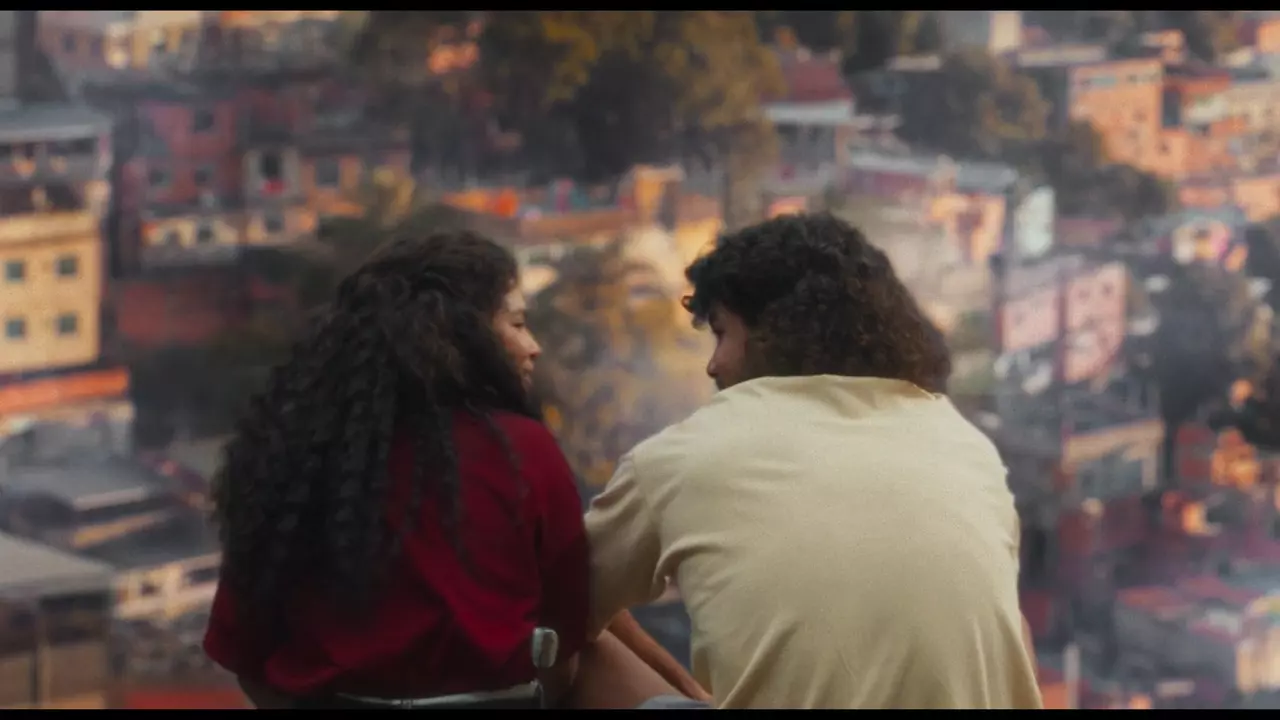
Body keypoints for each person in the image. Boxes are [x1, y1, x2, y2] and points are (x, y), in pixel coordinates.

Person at [581, 213, 1043, 709]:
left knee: (572, 649)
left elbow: (557, 603)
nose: (713, 365)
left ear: (771, 334)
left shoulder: (681, 457)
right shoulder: (964, 444)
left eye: (721, 333)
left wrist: (681, 686)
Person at [202, 230, 591, 708]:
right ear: (465, 335)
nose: (533, 346)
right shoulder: (525, 449)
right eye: (516, 323)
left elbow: (245, 655)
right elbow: (564, 645)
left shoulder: (295, 458)